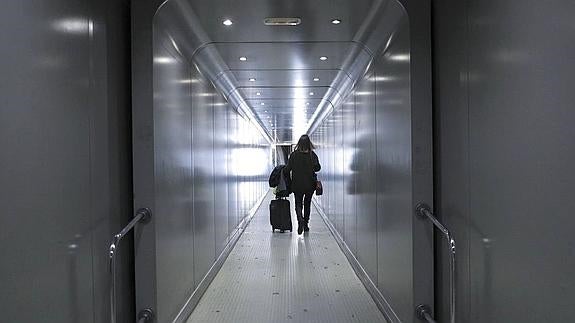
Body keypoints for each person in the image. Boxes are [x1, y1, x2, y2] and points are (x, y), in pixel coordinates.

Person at [284, 135, 321, 234]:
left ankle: (300, 219)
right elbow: (318, 168)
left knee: (298, 203)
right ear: (309, 143)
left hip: (297, 185)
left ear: (299, 143)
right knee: (307, 203)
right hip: (310, 185)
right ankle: (305, 224)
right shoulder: (312, 155)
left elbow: (287, 169)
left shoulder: (294, 155)